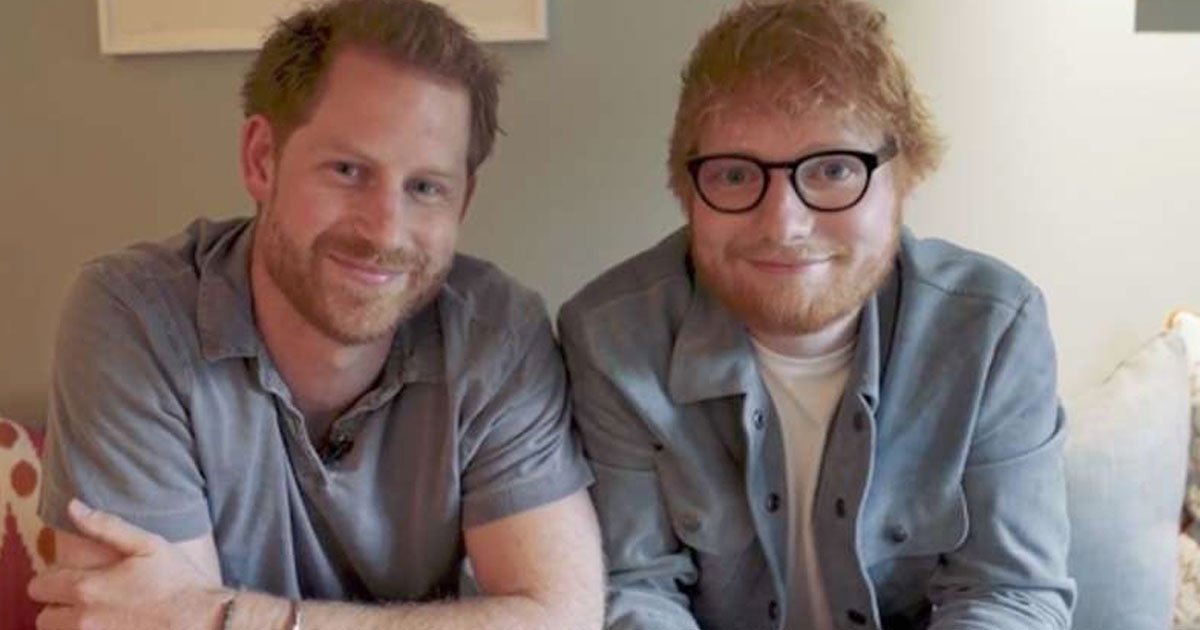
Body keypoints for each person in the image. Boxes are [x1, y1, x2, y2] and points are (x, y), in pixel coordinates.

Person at [30, 1, 603, 628]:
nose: (385, 230)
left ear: (462, 201)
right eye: (348, 170)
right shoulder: (134, 316)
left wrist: (227, 619)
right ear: (261, 160)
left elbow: (562, 618)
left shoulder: (500, 335)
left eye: (425, 188)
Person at [557, 1, 1074, 628]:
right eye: (736, 174)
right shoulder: (612, 337)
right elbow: (636, 588)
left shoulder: (994, 329)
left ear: (904, 177)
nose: (784, 225)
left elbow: (1008, 593)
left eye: (833, 169)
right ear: (689, 190)